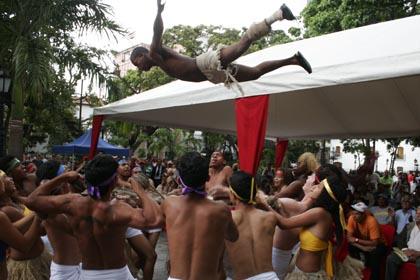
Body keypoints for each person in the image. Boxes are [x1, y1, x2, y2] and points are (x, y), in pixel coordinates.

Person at [25, 154, 163, 280]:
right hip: (118, 274)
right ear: (115, 181)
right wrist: (139, 189)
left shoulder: (73, 203)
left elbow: (31, 201)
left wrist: (64, 177)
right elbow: (155, 220)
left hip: (88, 275)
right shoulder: (119, 209)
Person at [131, 0, 311, 89]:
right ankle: (293, 60)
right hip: (212, 75)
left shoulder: (155, 52)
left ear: (141, 55)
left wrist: (158, 12)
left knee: (242, 45)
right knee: (255, 73)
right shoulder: (157, 59)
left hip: (205, 63)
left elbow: (157, 31)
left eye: (136, 63)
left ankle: (278, 14)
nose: (139, 68)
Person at [161, 152, 238, 280]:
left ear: (179, 180)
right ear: (208, 178)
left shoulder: (169, 204)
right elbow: (233, 236)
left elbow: (154, 222)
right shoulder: (221, 210)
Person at [262, 175, 348, 279]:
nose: (314, 187)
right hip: (303, 272)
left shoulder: (319, 213)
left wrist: (265, 205)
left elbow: (285, 224)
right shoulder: (326, 214)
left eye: (318, 187)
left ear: (324, 194)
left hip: (307, 275)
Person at [225, 171, 281, 280]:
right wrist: (264, 204)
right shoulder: (270, 218)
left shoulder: (228, 219)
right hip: (270, 277)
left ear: (232, 194)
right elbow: (284, 223)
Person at [0, 170, 44, 280]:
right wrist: (38, 215)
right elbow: (25, 245)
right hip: (26, 265)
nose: (10, 179)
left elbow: (12, 228)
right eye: (4, 177)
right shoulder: (5, 212)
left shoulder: (14, 202)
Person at [347, 201, 387, 280]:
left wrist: (356, 240)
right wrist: (363, 247)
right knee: (349, 247)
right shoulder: (352, 218)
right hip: (363, 243)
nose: (354, 216)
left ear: (363, 215)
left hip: (379, 244)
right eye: (353, 213)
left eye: (357, 214)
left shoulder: (371, 221)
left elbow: (374, 243)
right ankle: (356, 271)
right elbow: (348, 238)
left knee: (374, 254)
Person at [385, 206, 420, 280]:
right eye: (417, 213)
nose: (418, 215)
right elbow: (400, 239)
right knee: (391, 258)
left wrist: (417, 254)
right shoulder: (410, 226)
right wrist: (405, 250)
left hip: (419, 255)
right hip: (407, 252)